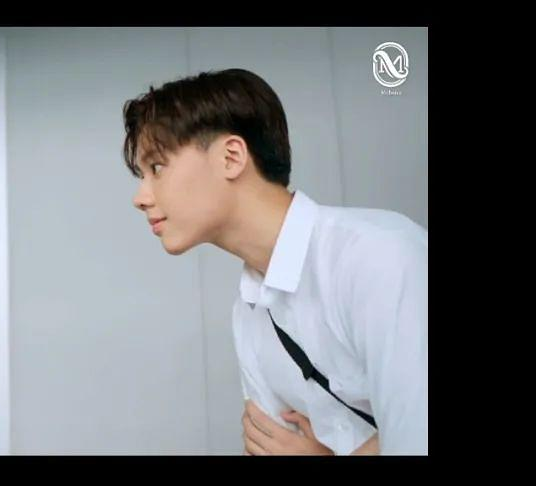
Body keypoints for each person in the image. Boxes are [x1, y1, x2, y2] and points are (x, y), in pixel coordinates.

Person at [122, 69, 427, 455]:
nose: (140, 197)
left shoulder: (377, 256)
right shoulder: (249, 312)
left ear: (231, 157)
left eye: (156, 168)